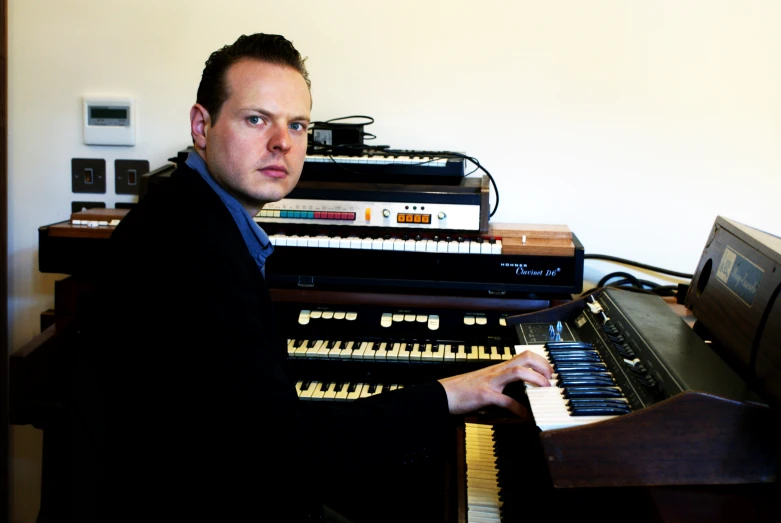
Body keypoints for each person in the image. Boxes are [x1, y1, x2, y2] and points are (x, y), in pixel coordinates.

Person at [70, 33, 553, 523]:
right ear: (202, 125)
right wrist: (449, 395)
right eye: (256, 119)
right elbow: (285, 447)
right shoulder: (188, 248)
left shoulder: (191, 216)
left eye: (297, 125)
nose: (282, 142)